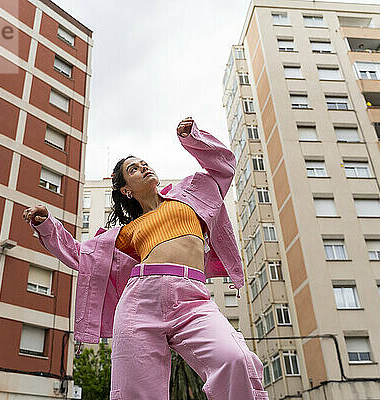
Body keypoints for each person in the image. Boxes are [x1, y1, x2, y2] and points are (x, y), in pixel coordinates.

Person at [23, 117, 269, 400]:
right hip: (140, 301)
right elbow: (80, 254)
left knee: (234, 359)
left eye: (144, 164)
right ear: (126, 189)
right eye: (134, 169)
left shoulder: (192, 194)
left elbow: (223, 166)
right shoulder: (126, 232)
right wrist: (46, 225)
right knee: (135, 393)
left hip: (193, 299)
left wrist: (193, 138)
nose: (143, 168)